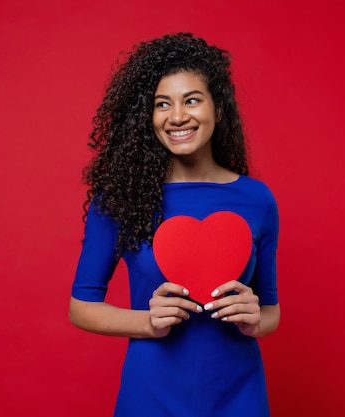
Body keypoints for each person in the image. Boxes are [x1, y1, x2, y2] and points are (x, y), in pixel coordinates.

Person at [69, 32, 280, 417]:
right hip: (151, 393)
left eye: (192, 100)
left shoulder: (257, 199)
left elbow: (270, 313)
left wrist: (254, 320)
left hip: (238, 393)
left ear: (219, 109)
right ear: (147, 118)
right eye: (162, 104)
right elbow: (81, 306)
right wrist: (149, 323)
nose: (177, 116)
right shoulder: (120, 197)